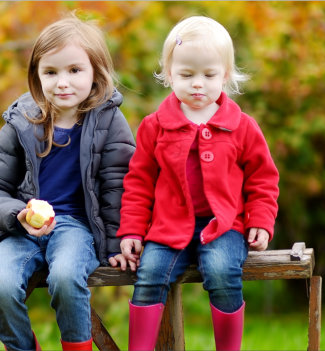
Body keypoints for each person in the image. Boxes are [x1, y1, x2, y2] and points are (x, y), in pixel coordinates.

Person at [117, 15, 279, 351]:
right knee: (149, 275)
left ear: (226, 76)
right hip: (168, 228)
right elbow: (139, 183)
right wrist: (132, 230)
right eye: (186, 75)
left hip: (224, 227)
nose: (197, 84)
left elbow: (262, 179)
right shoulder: (154, 126)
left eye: (209, 75)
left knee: (221, 272)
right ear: (169, 75)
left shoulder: (242, 126)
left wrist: (261, 221)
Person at [0, 16, 135, 351]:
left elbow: (118, 187)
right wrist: (18, 214)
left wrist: (118, 242)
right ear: (37, 75)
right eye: (51, 72)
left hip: (76, 228)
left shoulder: (109, 121)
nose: (63, 82)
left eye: (75, 70)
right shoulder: (20, 120)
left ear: (96, 72)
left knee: (65, 278)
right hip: (22, 231)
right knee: (0, 286)